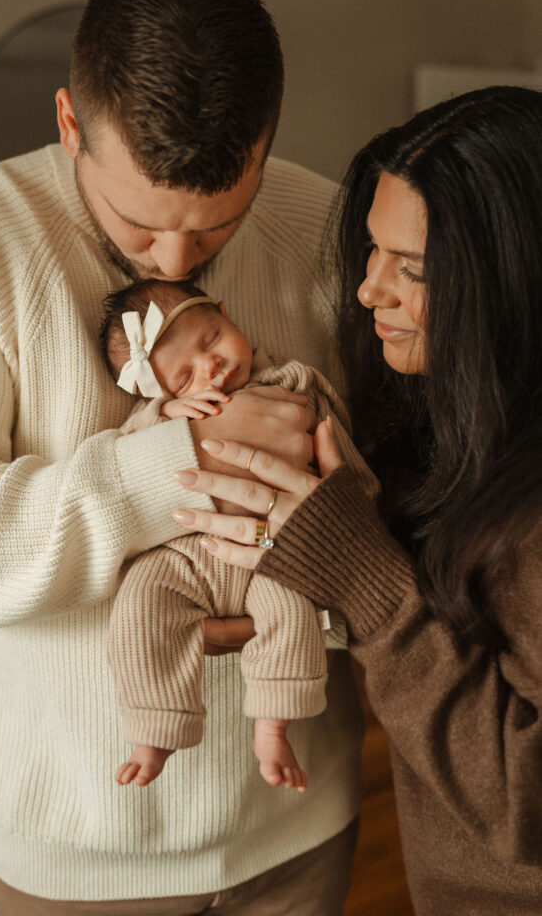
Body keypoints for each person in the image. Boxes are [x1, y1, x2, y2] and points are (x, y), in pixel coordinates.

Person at [0, 0, 364, 914]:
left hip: (303, 820)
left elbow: (398, 498)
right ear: (69, 123)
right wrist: (180, 464)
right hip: (77, 848)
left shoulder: (327, 226)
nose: (177, 261)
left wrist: (318, 598)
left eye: (219, 226)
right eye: (139, 227)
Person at [169, 85, 542, 916]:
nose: (369, 290)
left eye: (414, 268)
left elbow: (527, 803)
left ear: (516, 278)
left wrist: (366, 582)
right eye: (372, 251)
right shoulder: (454, 429)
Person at [100, 278, 374, 793]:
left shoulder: (294, 383)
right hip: (189, 554)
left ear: (225, 313)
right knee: (140, 604)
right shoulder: (160, 417)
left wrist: (358, 497)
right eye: (184, 377)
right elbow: (128, 455)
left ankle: (273, 727)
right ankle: (156, 725)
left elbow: (336, 448)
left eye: (211, 339)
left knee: (291, 611)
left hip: (277, 551)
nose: (211, 367)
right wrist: (164, 415)